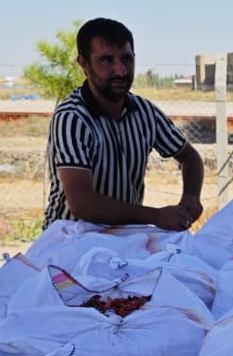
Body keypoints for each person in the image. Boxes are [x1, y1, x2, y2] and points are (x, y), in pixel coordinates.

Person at [43, 18, 204, 231]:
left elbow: (189, 157)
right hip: (71, 240)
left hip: (123, 237)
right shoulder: (72, 117)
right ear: (84, 64)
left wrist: (191, 196)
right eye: (106, 60)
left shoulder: (145, 112)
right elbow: (82, 204)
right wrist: (155, 216)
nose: (120, 71)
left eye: (126, 59)